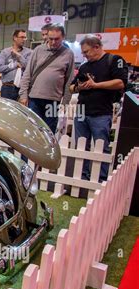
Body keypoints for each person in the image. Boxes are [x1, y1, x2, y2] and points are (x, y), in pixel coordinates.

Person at [70, 35, 128, 182]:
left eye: (86, 52)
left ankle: (100, 178)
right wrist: (79, 87)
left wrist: (96, 85)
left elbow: (120, 83)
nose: (84, 55)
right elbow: (71, 87)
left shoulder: (114, 60)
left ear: (97, 47)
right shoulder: (84, 66)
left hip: (101, 111)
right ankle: (81, 176)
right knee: (81, 146)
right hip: (82, 111)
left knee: (101, 146)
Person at [19, 23, 75, 134]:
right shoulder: (38, 50)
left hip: (54, 101)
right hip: (34, 98)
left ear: (63, 37)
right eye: (51, 39)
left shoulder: (68, 54)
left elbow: (69, 80)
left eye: (57, 39)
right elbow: (27, 73)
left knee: (49, 132)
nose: (53, 42)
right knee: (32, 131)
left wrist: (65, 103)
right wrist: (23, 95)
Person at [0, 29, 32, 101]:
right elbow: (0, 68)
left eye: (25, 37)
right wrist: (15, 64)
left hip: (23, 88)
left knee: (22, 111)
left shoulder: (29, 52)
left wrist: (18, 55)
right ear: (15, 38)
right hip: (7, 87)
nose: (24, 39)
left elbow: (28, 67)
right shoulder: (5, 52)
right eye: (22, 37)